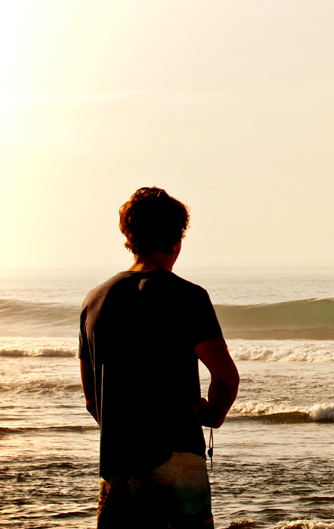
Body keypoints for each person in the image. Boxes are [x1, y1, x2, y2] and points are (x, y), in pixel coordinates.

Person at [80, 187, 240, 529]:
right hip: (177, 463)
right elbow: (226, 378)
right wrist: (213, 414)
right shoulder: (187, 297)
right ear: (176, 239)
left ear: (130, 237)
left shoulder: (94, 301)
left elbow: (93, 401)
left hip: (117, 469)